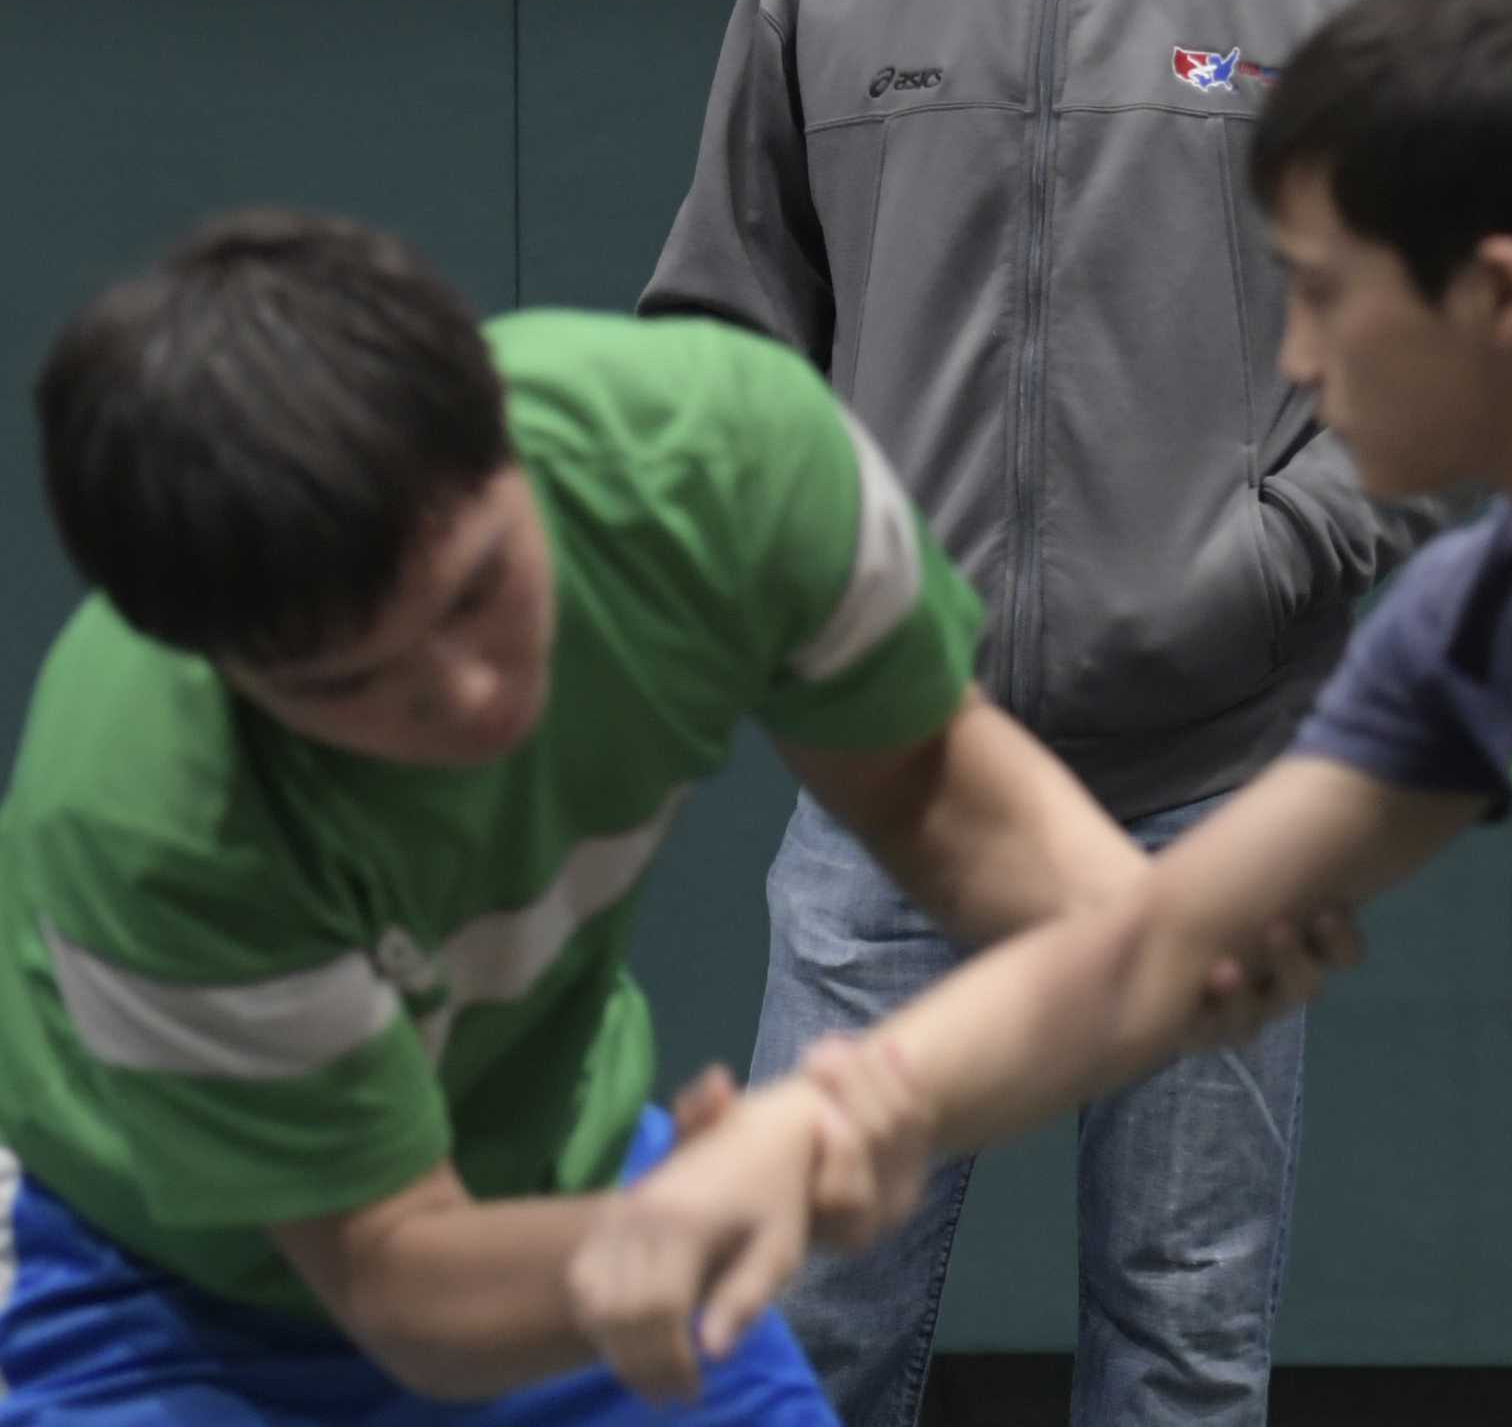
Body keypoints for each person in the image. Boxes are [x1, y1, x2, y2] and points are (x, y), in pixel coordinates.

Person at [576, 0, 1512, 1427]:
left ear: (1500, 296)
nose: (1294, 358)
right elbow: (1155, 947)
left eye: (1316, 290)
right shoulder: (1497, 625)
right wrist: (798, 1137)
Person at [639, 0, 1448, 1427]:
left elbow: (1447, 383)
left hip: (1219, 788)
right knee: (811, 1331)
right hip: (894, 787)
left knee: (1182, 1342)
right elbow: (716, 352)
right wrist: (827, 622)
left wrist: (1259, 567)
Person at [0, 209, 1320, 1427]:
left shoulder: (716, 464)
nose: (463, 696)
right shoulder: (157, 819)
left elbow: (928, 792)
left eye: (477, 591)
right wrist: (741, 1196)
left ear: (500, 438)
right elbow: (398, 1280)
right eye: (351, 685)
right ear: (219, 669)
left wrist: (1158, 943)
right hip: (170, 1278)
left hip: (556, 1167)